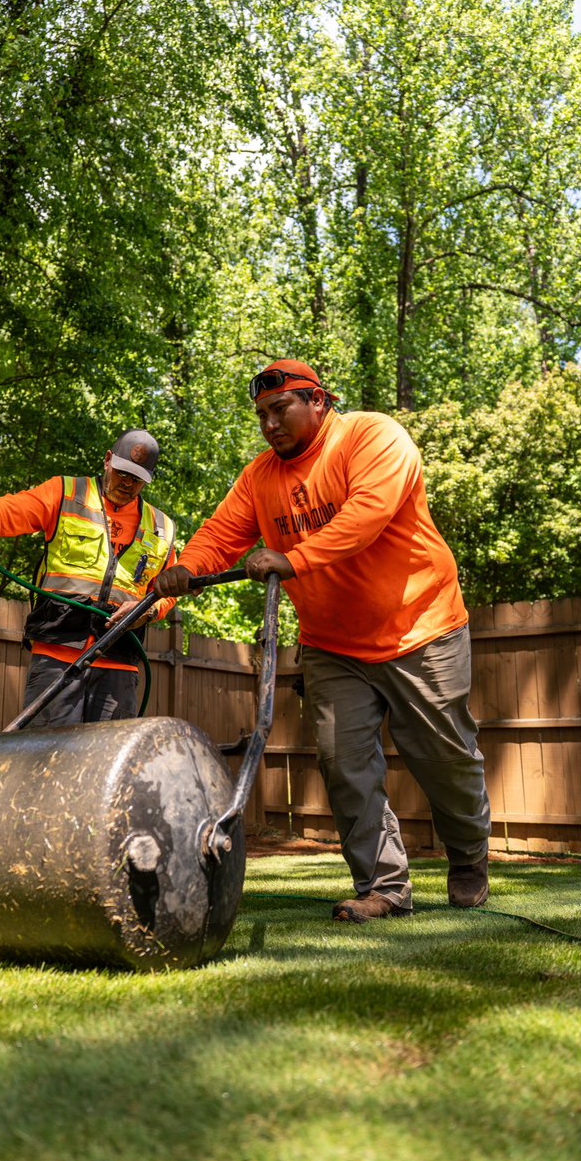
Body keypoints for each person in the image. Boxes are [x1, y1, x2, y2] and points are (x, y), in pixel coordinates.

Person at [154, 359, 490, 922]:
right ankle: (383, 888)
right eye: (261, 415)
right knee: (344, 764)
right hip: (332, 646)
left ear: (318, 400)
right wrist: (182, 572)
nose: (269, 424)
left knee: (443, 759)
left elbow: (367, 515)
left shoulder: (372, 436)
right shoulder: (259, 477)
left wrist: (294, 559)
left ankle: (469, 856)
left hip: (421, 628)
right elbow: (219, 536)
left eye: (279, 409)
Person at [0, 429, 178, 726]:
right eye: (122, 473)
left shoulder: (161, 527)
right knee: (47, 751)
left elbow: (169, 589)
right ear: (108, 460)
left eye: (136, 478)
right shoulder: (67, 493)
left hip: (119, 665)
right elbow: (13, 511)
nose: (127, 483)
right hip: (58, 656)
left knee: (110, 755)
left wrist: (148, 611)